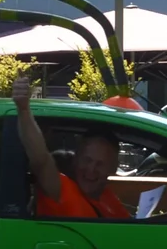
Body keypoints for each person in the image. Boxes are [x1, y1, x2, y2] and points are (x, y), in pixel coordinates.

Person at [12, 74, 130, 219]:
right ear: (76, 158)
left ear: (113, 168)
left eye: (100, 164)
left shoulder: (106, 197)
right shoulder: (61, 191)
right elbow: (40, 160)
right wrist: (23, 111)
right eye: (87, 160)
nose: (91, 169)